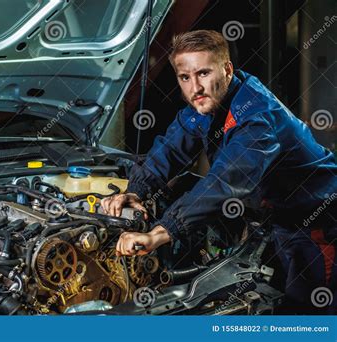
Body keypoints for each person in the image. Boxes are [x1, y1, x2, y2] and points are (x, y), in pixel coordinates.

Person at [101, 30, 337, 313]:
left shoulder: (256, 117)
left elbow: (225, 182)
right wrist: (134, 191)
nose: (194, 88)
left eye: (202, 73)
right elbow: (170, 150)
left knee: (307, 312)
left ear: (227, 69)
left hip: (316, 221)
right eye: (184, 77)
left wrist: (161, 233)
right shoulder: (204, 105)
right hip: (274, 218)